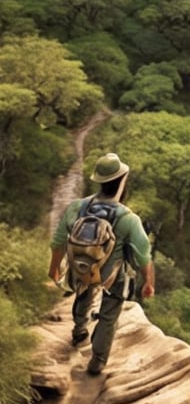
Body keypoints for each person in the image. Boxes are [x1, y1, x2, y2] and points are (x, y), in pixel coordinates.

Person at [48, 152, 155, 376]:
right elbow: (144, 257)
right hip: (112, 277)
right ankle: (97, 360)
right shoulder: (128, 219)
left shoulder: (77, 207)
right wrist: (148, 283)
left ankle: (79, 330)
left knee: (83, 293)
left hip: (83, 269)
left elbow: (58, 241)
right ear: (121, 182)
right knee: (109, 316)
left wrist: (54, 267)